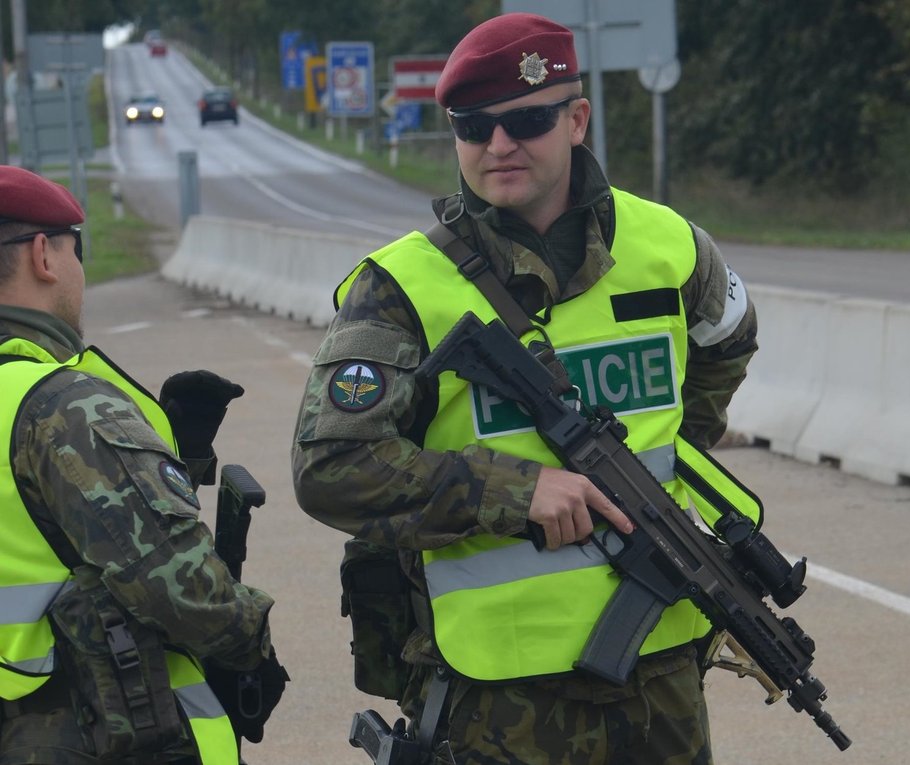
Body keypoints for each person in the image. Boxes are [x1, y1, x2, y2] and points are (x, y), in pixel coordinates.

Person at [293, 12, 757, 765]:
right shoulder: (402, 287)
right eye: (474, 127)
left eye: (528, 120)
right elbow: (329, 468)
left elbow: (727, 340)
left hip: (663, 671)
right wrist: (514, 490)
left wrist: (665, 454)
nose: (499, 146)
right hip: (499, 692)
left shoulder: (671, 244)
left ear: (577, 119)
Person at [0, 165, 287, 764]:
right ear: (42, 257)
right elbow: (182, 593)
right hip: (93, 732)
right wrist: (253, 638)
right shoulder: (63, 407)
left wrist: (172, 463)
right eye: (76, 249)